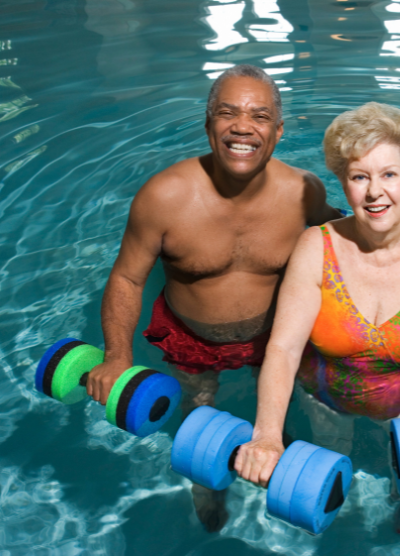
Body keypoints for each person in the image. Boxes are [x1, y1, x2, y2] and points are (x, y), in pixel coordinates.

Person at [86, 64, 340, 531]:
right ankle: (207, 486)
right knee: (199, 409)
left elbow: (341, 228)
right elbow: (126, 279)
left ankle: (276, 457)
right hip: (192, 339)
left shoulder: (303, 191)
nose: (243, 126)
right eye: (228, 113)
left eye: (259, 116)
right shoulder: (164, 197)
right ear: (208, 126)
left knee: (281, 412)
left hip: (274, 339)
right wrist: (118, 357)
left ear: (278, 131)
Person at [234, 103, 400, 531]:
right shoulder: (315, 247)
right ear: (344, 183)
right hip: (324, 400)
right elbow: (283, 349)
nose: (375, 192)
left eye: (389, 175)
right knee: (329, 473)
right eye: (360, 177)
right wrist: (266, 435)